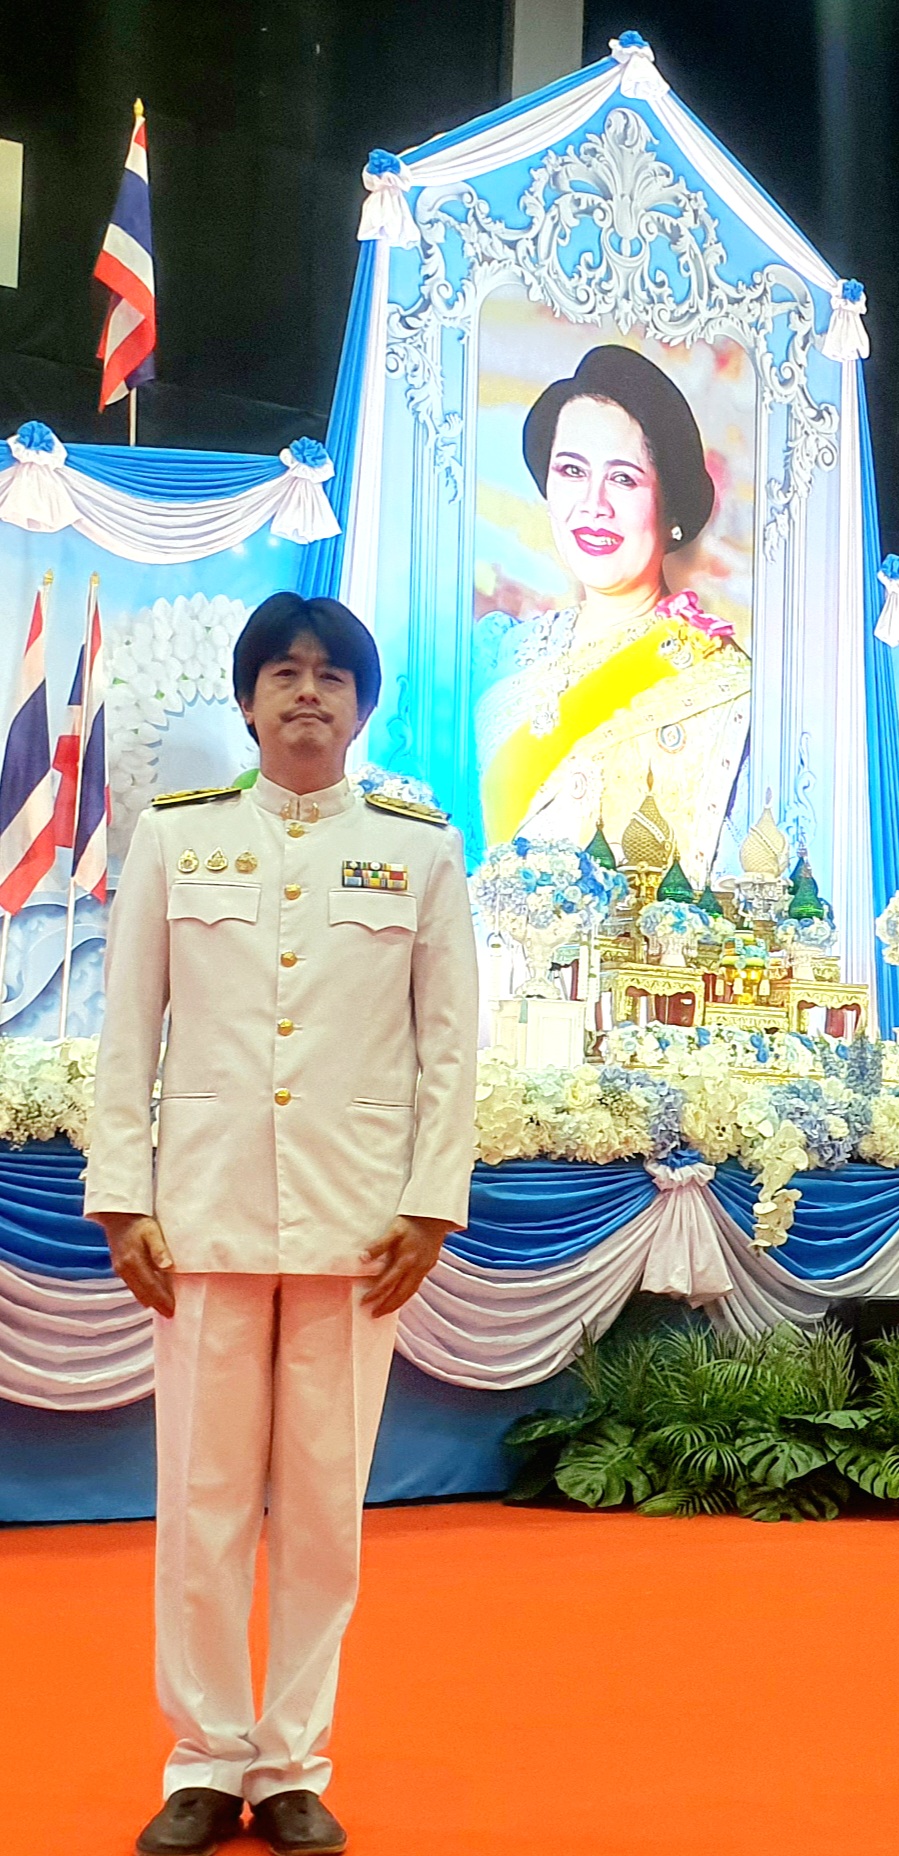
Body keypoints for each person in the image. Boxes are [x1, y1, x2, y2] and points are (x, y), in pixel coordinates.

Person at [84, 592, 479, 1856]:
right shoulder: (177, 838)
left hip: (357, 1224)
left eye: (331, 675)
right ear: (249, 701)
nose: (308, 692)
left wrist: (430, 1202)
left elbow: (450, 1046)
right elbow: (127, 1027)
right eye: (285, 673)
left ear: (361, 708)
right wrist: (123, 1195)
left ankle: (294, 1759)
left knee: (322, 1511)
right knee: (198, 1503)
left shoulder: (421, 851)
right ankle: (205, 1759)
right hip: (201, 1214)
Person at [474, 343, 751, 880]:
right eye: (571, 470)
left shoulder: (722, 684)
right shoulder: (500, 652)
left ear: (670, 506)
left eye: (623, 478)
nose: (593, 505)